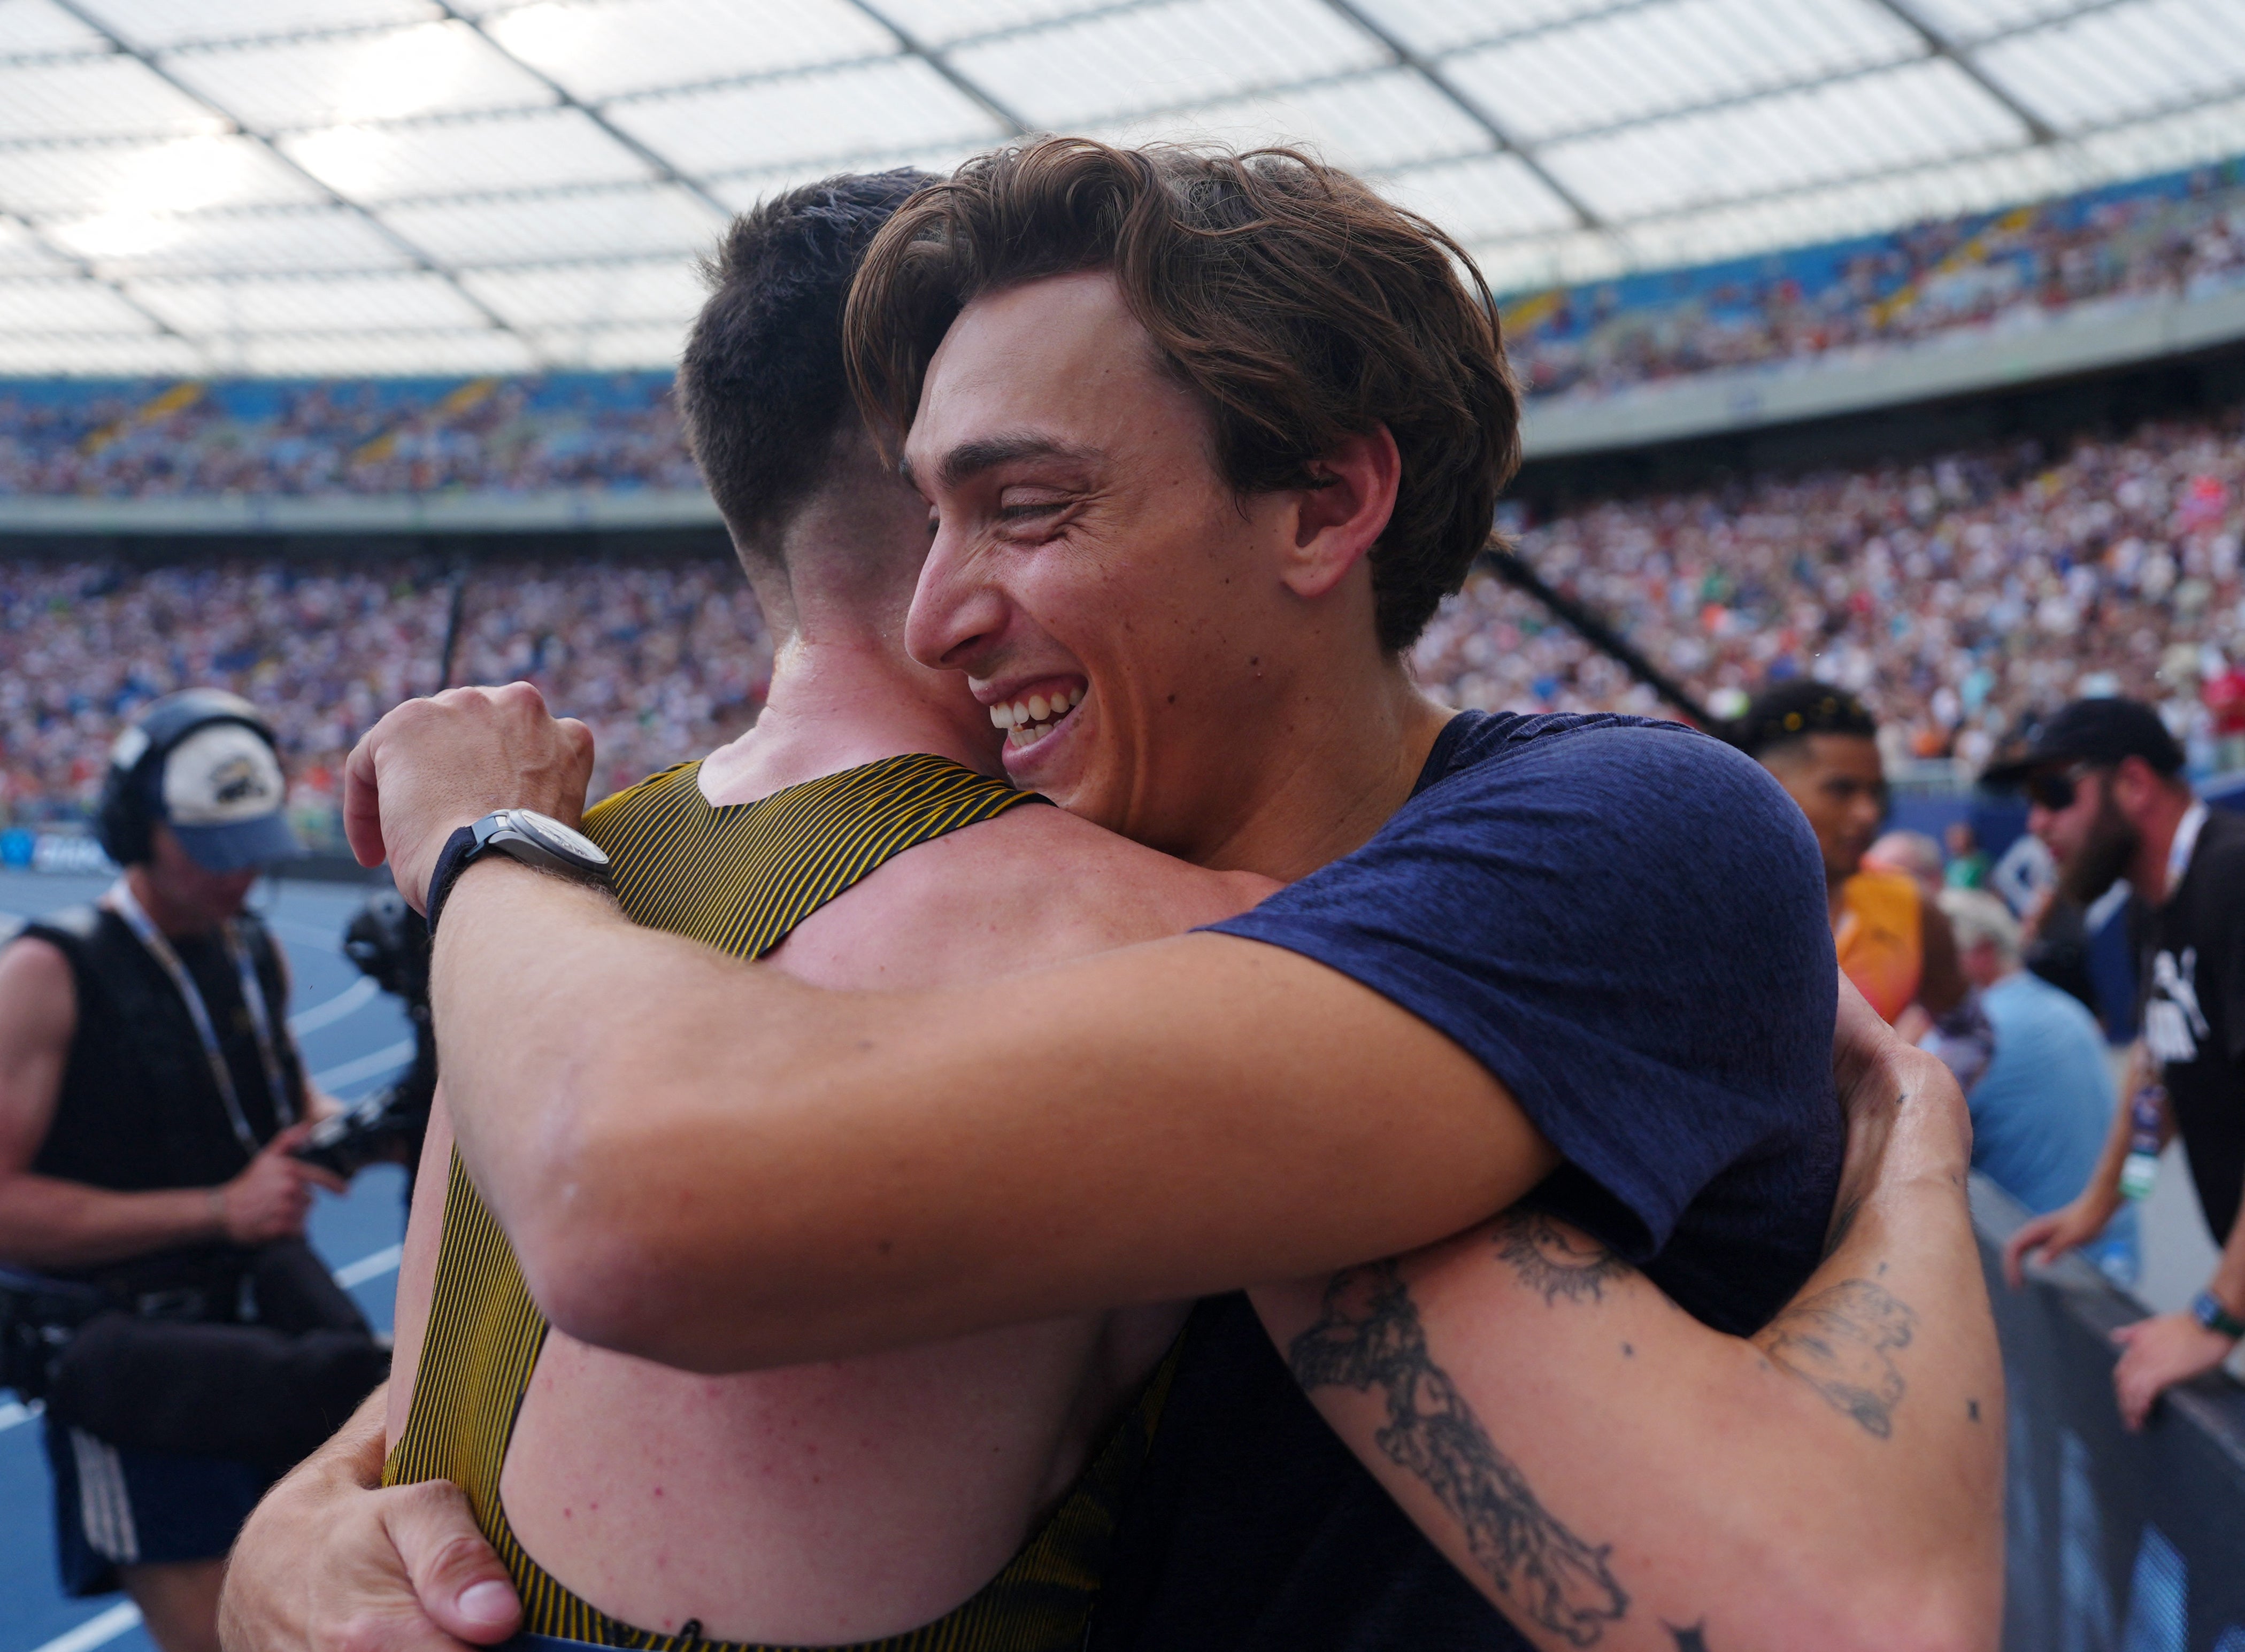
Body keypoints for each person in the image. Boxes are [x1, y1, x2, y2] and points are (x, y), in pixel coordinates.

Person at [225, 140, 2001, 1652]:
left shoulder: (1610, 837)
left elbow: (1837, 1615)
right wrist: (296, 1540)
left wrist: (489, 850)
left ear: (1320, 504)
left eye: (1022, 508)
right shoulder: (1156, 918)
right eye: (931, 520)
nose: (934, 617)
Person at [0, 692, 388, 1652]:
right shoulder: (45, 975)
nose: (243, 872)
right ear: (136, 829)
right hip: (132, 1358)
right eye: (212, 849)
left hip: (258, 1310)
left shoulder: (254, 949)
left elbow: (291, 1107)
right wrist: (221, 1208)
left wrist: (395, 1124)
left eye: (254, 843)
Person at [2000, 697, 2245, 1430]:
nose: (2035, 824)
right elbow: (2158, 1078)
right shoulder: (2150, 903)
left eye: (2052, 793)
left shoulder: (2234, 876)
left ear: (2132, 784)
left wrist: (2215, 1317)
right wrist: (2102, 1202)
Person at [1731, 683, 1969, 1039]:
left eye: (1875, 793)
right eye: (1841, 790)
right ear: (1765, 785)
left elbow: (1969, 1034)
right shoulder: (1701, 907)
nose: (1868, 813)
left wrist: (1901, 1084)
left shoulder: (1910, 907)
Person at [1940, 888, 2138, 1283]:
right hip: (2118, 1254)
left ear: (1978, 954)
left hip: (2039, 1270)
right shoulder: (2068, 1010)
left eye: (1932, 958)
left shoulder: (1974, 1037)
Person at [1943, 821, 1992, 891]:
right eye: (1951, 839)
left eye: (1958, 838)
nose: (1954, 842)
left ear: (1969, 838)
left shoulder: (1982, 862)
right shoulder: (1949, 864)